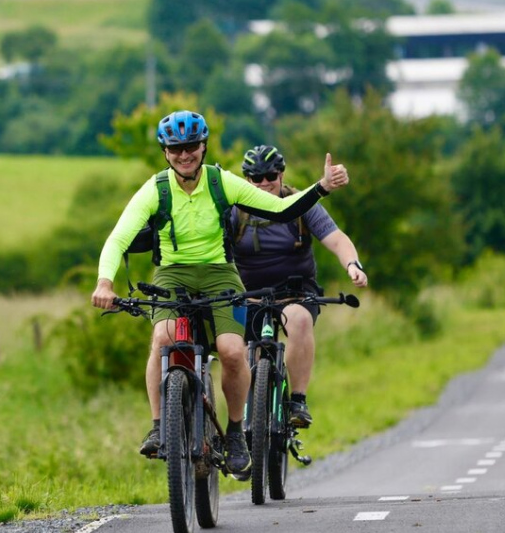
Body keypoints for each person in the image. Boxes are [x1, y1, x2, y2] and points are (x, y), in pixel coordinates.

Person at [91, 111, 349, 478]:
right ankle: (158, 425)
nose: (185, 155)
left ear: (203, 146)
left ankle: (235, 433)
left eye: (191, 147)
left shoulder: (220, 182)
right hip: (172, 272)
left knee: (230, 350)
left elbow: (280, 209)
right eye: (176, 149)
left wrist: (320, 187)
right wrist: (105, 282)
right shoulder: (156, 189)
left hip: (220, 273)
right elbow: (118, 238)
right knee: (162, 338)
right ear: (165, 152)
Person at [232, 144, 367, 428]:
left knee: (300, 321)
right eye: (256, 178)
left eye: (270, 175)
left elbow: (337, 239)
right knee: (248, 352)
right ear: (247, 180)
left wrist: (352, 265)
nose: (264, 183)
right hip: (250, 294)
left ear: (281, 174)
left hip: (295, 292)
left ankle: (297, 401)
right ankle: (248, 425)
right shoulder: (235, 211)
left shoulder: (302, 203)